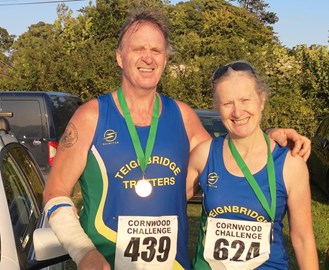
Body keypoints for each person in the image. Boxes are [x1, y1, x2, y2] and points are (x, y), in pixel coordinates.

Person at [43, 8, 311, 270]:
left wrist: (266, 138)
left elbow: (230, 157)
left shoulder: (182, 116)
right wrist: (83, 251)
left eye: (156, 50)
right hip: (105, 262)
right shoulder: (91, 116)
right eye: (138, 49)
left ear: (165, 59)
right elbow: (54, 193)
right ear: (119, 57)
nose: (148, 58)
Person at [186, 60, 318, 269]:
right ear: (217, 108)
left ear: (261, 100)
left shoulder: (290, 164)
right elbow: (167, 203)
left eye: (245, 100)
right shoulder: (204, 154)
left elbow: (303, 239)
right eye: (227, 103)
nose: (238, 112)